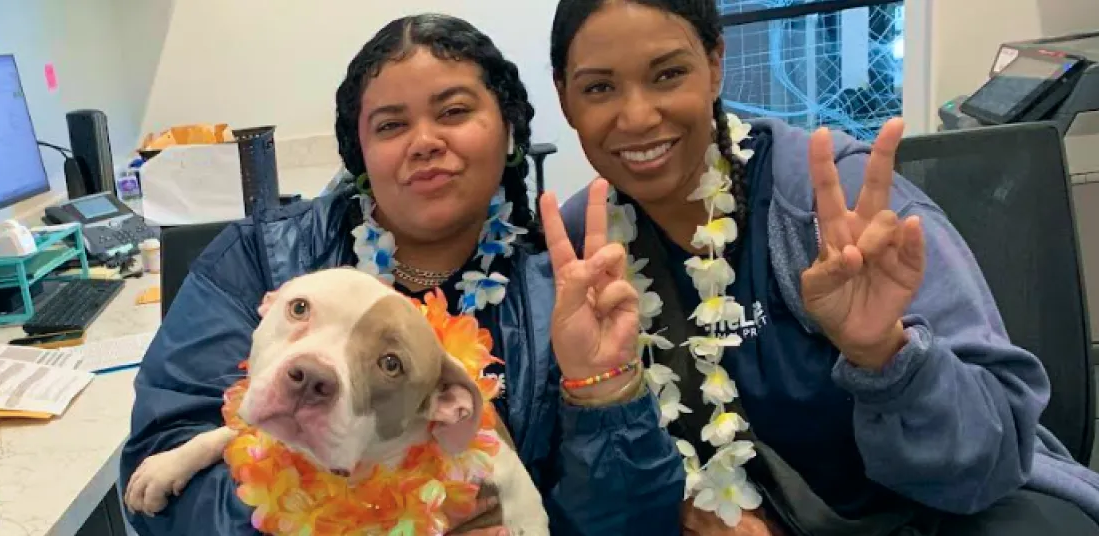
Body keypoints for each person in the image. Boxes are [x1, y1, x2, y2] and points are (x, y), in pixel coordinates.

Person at [119, 13, 684, 536]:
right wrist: (350, 521)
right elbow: (159, 487)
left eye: (454, 112)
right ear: (360, 151)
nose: (425, 143)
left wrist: (602, 391)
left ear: (509, 129)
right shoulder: (262, 259)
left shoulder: (563, 296)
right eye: (391, 125)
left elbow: (631, 526)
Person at [550, 0, 1099, 534]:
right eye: (599, 87)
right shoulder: (584, 249)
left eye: (668, 74)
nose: (638, 116)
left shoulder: (830, 201)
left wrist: (885, 354)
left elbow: (992, 460)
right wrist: (684, 503)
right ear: (564, 98)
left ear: (715, 65)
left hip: (945, 513)